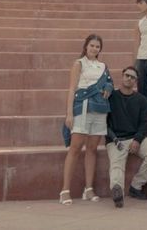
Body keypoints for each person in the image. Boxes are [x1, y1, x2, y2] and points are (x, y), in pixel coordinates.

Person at [59, 34, 113, 205]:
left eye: (97, 46)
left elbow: (109, 83)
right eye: (92, 45)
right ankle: (65, 190)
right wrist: (69, 113)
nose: (94, 49)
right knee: (75, 148)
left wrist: (108, 87)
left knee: (92, 149)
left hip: (100, 110)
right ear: (86, 46)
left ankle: (88, 189)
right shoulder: (79, 64)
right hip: (83, 107)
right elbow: (72, 88)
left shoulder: (103, 66)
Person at [106, 66, 147, 208]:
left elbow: (145, 123)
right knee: (116, 164)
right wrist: (114, 139)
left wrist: (137, 139)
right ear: (122, 76)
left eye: (133, 77)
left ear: (136, 81)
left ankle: (136, 186)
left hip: (135, 137)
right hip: (116, 140)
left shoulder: (141, 100)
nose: (129, 78)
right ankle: (117, 191)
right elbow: (104, 123)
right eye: (127, 75)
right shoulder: (111, 97)